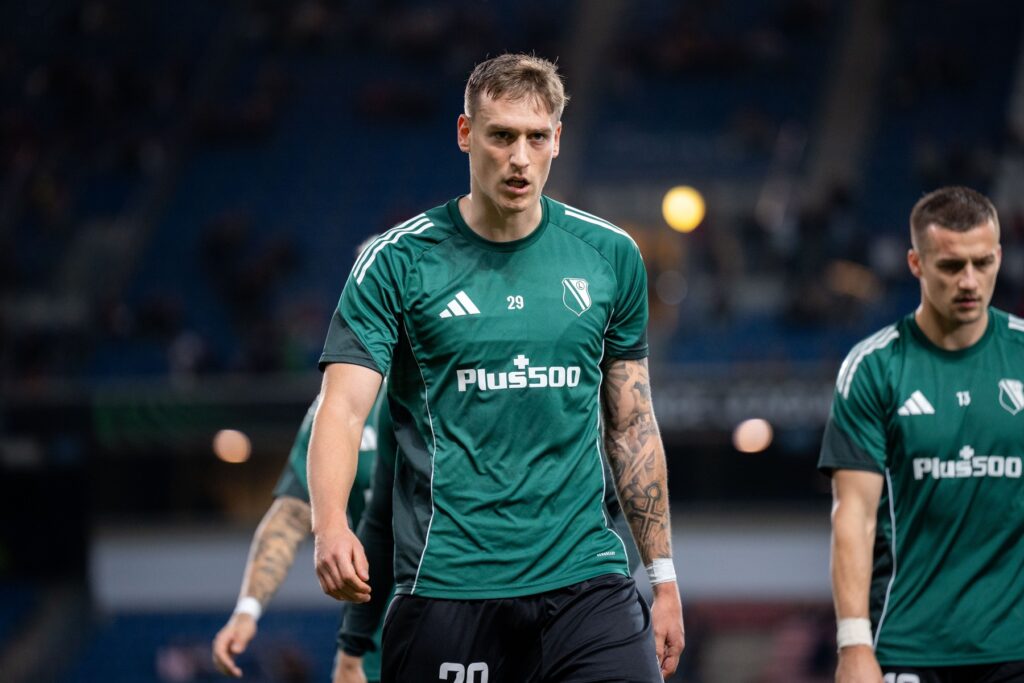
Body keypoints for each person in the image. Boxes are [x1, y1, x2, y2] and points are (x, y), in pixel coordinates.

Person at [308, 53, 685, 682]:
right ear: (465, 133)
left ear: (557, 140)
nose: (520, 158)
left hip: (586, 582)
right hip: (449, 586)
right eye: (501, 136)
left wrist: (663, 577)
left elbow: (632, 425)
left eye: (536, 138)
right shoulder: (397, 262)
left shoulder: (609, 256)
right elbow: (343, 409)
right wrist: (329, 526)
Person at [819, 186, 1024, 683]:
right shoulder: (874, 368)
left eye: (982, 263)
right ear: (916, 263)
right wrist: (853, 644)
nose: (970, 281)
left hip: (1015, 646)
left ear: (999, 257)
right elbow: (855, 517)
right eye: (951, 266)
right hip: (907, 645)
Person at [336, 390, 646, 668]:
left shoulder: (566, 383)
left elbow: (623, 501)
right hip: (456, 608)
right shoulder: (408, 387)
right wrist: (352, 644)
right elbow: (381, 520)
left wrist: (606, 577)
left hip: (571, 604)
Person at [212, 392, 385, 682]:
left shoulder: (443, 385)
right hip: (370, 631)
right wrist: (247, 610)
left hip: (452, 598)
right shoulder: (336, 403)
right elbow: (291, 517)